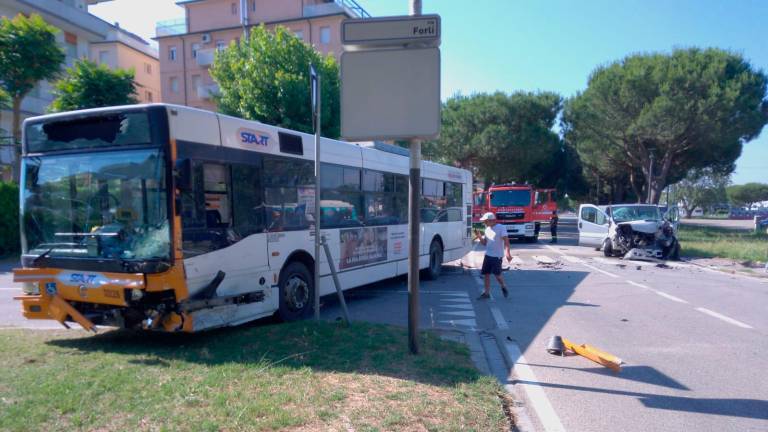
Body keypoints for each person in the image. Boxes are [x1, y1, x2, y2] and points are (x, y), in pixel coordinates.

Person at [474, 212, 512, 299]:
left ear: (491, 220)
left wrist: (508, 253)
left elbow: (506, 241)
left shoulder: (501, 228)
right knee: (486, 274)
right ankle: (486, 293)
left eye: (485, 221)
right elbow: (484, 243)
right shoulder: (487, 229)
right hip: (488, 255)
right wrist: (479, 236)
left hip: (497, 256)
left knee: (497, 275)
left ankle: (503, 286)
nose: (484, 223)